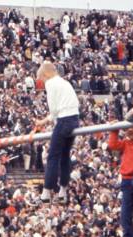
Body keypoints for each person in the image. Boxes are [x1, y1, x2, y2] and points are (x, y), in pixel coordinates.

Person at [36, 61, 80, 204]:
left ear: (45, 74)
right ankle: (63, 190)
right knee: (64, 156)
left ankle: (47, 191)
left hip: (64, 120)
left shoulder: (51, 83)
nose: (43, 82)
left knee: (53, 156)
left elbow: (53, 110)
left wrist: (46, 121)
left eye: (42, 78)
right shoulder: (65, 83)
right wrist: (44, 122)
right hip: (74, 119)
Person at [108, 124, 133, 237]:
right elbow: (113, 145)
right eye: (127, 130)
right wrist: (114, 130)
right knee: (125, 214)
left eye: (131, 129)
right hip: (127, 181)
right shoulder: (125, 143)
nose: (129, 132)